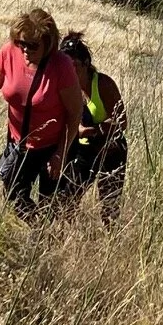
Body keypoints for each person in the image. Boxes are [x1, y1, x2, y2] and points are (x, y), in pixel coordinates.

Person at [0, 9, 83, 221]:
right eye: (21, 43)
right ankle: (37, 228)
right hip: (19, 145)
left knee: (51, 206)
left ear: (48, 43)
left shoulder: (61, 66)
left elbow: (75, 113)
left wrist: (61, 153)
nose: (25, 50)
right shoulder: (9, 53)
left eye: (32, 45)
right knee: (14, 194)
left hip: (53, 146)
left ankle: (45, 241)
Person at [59, 31, 127, 225]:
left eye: (74, 65)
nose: (69, 71)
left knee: (109, 205)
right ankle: (71, 238)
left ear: (86, 63)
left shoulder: (103, 84)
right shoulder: (65, 88)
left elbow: (122, 122)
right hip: (83, 150)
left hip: (111, 149)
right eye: (65, 66)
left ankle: (111, 243)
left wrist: (94, 130)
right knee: (68, 198)